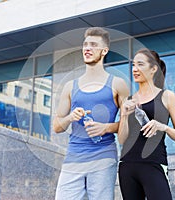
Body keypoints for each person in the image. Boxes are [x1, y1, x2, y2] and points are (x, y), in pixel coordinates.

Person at [53, 27, 129, 200]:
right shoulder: (70, 86)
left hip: (103, 155)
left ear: (104, 51)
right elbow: (57, 127)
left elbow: (127, 127)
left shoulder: (118, 84)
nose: (87, 48)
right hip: (74, 156)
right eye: (85, 44)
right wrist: (70, 117)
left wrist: (107, 127)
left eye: (93, 45)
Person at [118, 48, 175, 200]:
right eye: (133, 65)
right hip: (127, 166)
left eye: (140, 65)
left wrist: (163, 127)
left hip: (154, 164)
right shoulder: (129, 100)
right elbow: (122, 140)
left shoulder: (167, 96)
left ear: (153, 68)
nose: (134, 69)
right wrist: (124, 115)